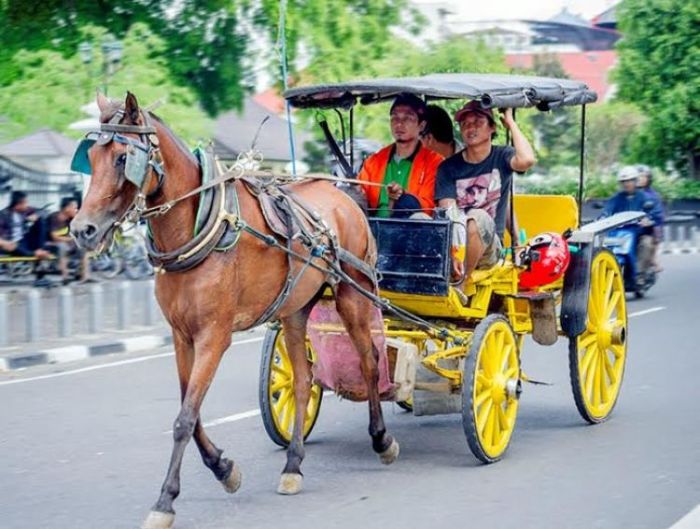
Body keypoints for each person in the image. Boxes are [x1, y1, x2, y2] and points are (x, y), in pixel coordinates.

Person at [435, 101, 536, 281]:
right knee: (418, 219)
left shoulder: (502, 156)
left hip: (491, 247)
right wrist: (456, 251)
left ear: (492, 128)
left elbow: (526, 159)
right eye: (465, 124)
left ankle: (461, 283)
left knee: (478, 216)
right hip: (456, 245)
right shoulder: (447, 167)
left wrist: (511, 122)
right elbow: (449, 213)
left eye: (478, 122)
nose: (470, 127)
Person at [358, 93, 443, 218]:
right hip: (371, 229)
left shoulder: (434, 162)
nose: (399, 124)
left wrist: (402, 197)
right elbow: (360, 195)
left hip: (410, 230)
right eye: (395, 118)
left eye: (407, 118)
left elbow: (428, 208)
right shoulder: (374, 161)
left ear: (421, 125)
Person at [605, 165, 655, 282]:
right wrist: (603, 217)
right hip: (619, 231)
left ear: (635, 181)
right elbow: (607, 210)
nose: (627, 184)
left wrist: (646, 220)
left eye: (630, 181)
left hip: (637, 231)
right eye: (624, 181)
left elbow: (650, 212)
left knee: (646, 243)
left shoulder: (644, 197)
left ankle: (639, 274)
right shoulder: (616, 198)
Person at [45, 197, 92, 284]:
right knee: (63, 247)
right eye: (74, 208)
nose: (76, 210)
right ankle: (65, 277)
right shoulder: (54, 218)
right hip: (49, 244)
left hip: (65, 243)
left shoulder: (70, 219)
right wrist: (70, 239)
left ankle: (85, 276)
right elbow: (54, 237)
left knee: (82, 248)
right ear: (66, 208)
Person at [0, 191, 51, 259]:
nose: (27, 205)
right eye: (25, 203)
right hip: (10, 243)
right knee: (13, 247)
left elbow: (45, 212)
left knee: (40, 220)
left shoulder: (26, 211)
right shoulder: (3, 215)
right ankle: (35, 253)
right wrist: (5, 242)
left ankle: (40, 250)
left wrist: (35, 215)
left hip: (23, 241)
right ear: (18, 204)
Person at [636, 164, 664, 272]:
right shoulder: (627, 194)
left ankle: (641, 272)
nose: (640, 179)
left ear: (648, 179)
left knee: (646, 243)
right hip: (629, 229)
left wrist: (649, 220)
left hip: (645, 231)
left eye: (643, 176)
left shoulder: (653, 196)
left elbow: (658, 213)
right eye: (638, 176)